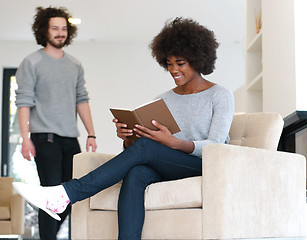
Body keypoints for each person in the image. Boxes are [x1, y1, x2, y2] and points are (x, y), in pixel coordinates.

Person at [14, 17, 234, 240]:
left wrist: (173, 142)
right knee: (136, 172)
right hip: (168, 164)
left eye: (180, 63)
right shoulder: (163, 100)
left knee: (147, 148)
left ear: (198, 60)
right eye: (169, 63)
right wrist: (128, 137)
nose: (173, 70)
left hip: (203, 166)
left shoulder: (219, 95)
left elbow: (216, 145)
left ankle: (67, 193)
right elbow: (143, 147)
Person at [14, 6, 97, 240]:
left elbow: (82, 99)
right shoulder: (31, 62)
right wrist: (25, 138)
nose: (60, 33)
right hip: (44, 138)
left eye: (64, 29)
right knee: (50, 195)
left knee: (73, 195)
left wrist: (91, 133)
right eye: (55, 28)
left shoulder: (74, 64)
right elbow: (24, 102)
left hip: (71, 138)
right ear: (44, 31)